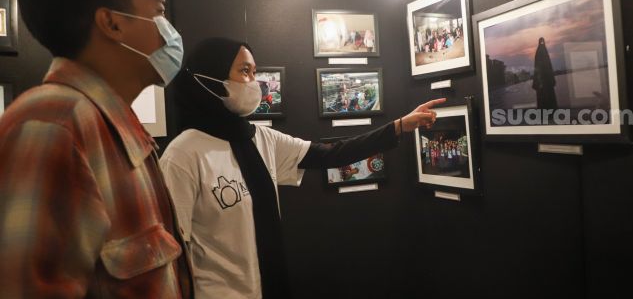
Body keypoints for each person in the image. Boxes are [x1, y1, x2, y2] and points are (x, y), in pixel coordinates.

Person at [159, 37, 446, 299]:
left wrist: (398, 127)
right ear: (210, 78)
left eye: (255, 72)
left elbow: (330, 155)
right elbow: (169, 249)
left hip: (269, 288)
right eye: (244, 71)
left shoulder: (260, 137)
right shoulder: (184, 154)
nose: (253, 82)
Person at [0, 0, 193, 298]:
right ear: (112, 23)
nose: (169, 30)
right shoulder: (51, 126)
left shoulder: (109, 125)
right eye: (159, 12)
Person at [532, 37, 558, 110]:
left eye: (542, 42)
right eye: (542, 42)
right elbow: (546, 67)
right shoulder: (543, 52)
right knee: (547, 97)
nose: (542, 43)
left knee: (544, 98)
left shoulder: (539, 52)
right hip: (545, 81)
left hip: (544, 81)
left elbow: (540, 67)